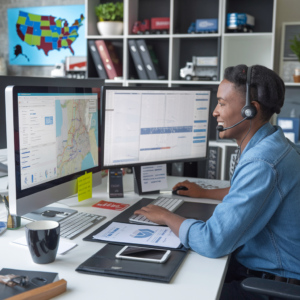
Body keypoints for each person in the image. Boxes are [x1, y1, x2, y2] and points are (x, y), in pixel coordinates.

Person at [134, 65, 300, 299]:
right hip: (271, 271)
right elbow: (249, 192)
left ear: (250, 111)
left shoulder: (262, 163)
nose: (214, 112)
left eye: (222, 103)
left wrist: (165, 216)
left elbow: (212, 242)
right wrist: (203, 193)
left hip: (274, 285)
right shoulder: (275, 144)